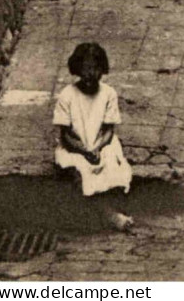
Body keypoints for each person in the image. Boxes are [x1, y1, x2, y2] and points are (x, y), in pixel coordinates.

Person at [53, 42, 133, 231]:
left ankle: (107, 211)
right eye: (86, 68)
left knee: (113, 168)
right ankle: (109, 215)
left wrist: (97, 147)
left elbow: (108, 130)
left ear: (102, 69)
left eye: (95, 68)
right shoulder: (67, 95)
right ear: (78, 69)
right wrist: (84, 150)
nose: (90, 73)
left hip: (101, 144)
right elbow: (65, 135)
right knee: (82, 172)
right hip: (75, 146)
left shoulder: (108, 94)